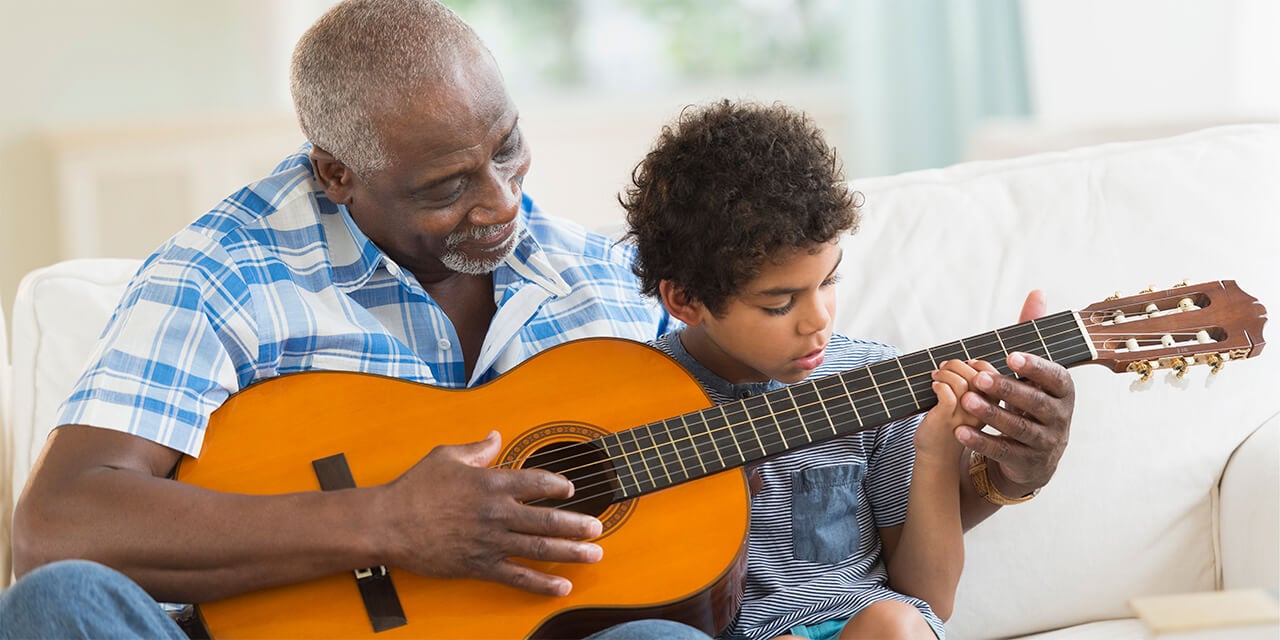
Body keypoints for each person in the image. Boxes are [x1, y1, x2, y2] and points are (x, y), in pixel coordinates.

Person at [0, 1, 1075, 638]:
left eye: (507, 147)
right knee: (61, 606)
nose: (500, 202)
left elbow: (785, 489)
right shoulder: (220, 274)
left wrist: (989, 469)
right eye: (444, 184)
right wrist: (385, 521)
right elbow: (56, 526)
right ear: (337, 173)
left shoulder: (591, 279)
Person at [620, 99, 1032, 640]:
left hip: (862, 625)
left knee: (896, 623)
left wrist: (938, 449)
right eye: (779, 304)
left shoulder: (872, 377)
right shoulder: (633, 395)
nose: (818, 320)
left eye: (829, 282)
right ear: (686, 299)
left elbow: (930, 597)